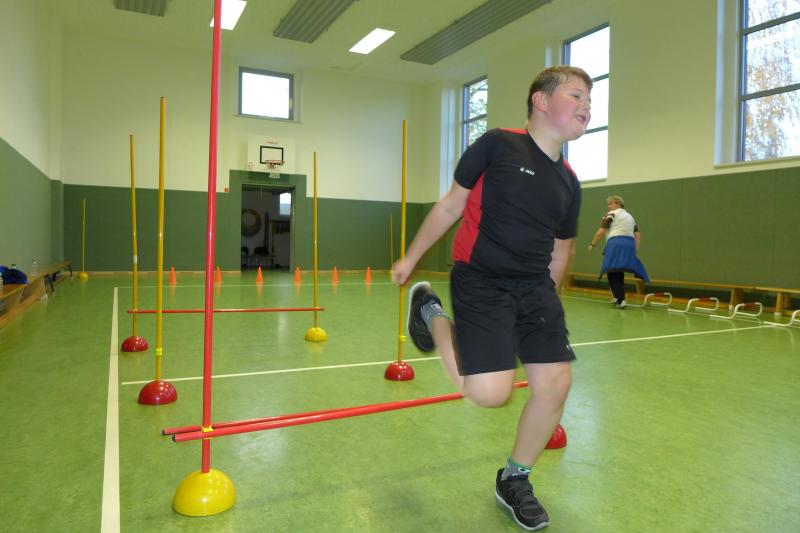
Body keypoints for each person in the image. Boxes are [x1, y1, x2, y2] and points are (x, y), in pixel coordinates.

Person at [391, 65, 591, 531]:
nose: (586, 106)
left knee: (555, 383)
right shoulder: (498, 144)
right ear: (540, 100)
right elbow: (451, 205)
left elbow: (561, 250)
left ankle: (514, 478)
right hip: (482, 279)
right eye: (576, 95)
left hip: (535, 289)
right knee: (488, 393)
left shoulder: (569, 181)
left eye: (590, 100)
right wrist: (411, 257)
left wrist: (550, 307)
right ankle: (430, 311)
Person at [587, 195, 650, 308]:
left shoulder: (611, 214)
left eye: (610, 204)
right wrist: (634, 251)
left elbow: (601, 231)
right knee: (618, 270)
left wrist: (592, 244)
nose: (609, 206)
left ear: (618, 203)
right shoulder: (630, 217)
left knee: (611, 271)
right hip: (629, 244)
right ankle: (617, 296)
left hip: (616, 243)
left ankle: (621, 299)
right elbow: (638, 235)